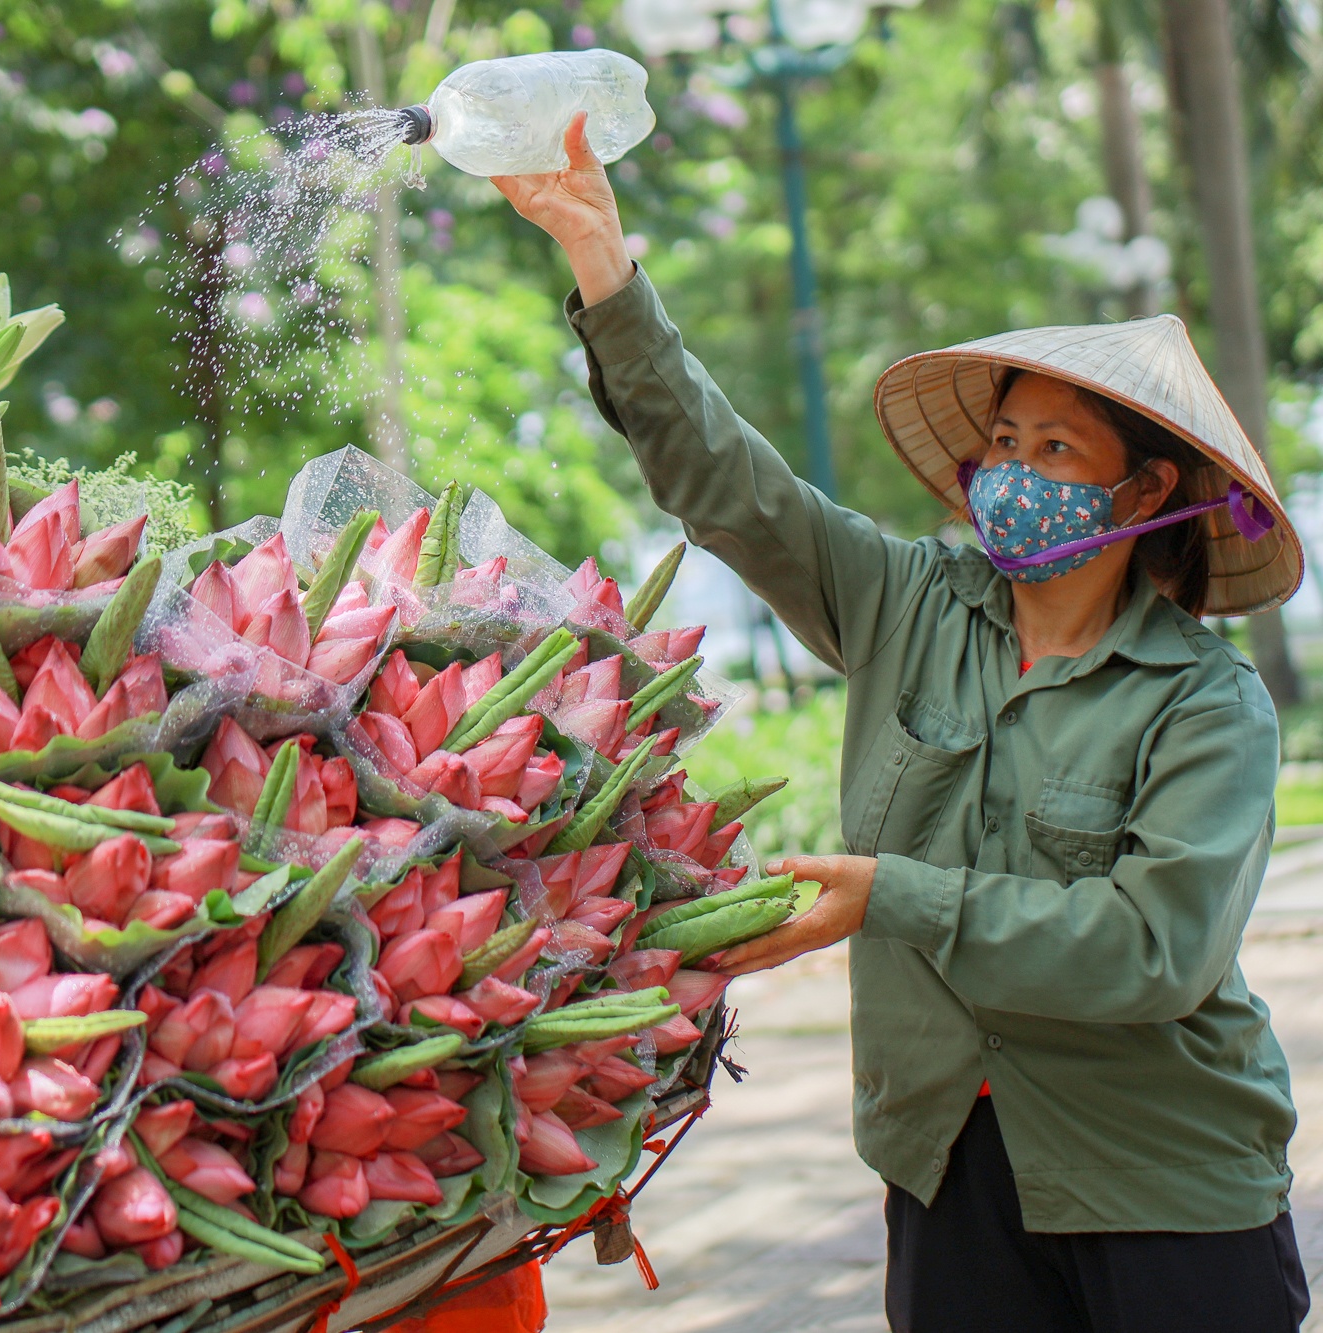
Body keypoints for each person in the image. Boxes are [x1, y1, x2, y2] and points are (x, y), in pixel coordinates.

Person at [491, 112, 1313, 1332]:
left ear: (1144, 494)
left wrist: (896, 894)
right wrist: (606, 266)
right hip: (942, 1162)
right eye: (1001, 441)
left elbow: (1155, 950)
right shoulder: (904, 601)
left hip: (1165, 1180)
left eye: (1055, 448)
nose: (1011, 470)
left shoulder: (1203, 702)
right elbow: (729, 481)